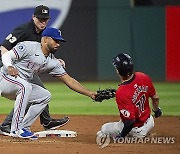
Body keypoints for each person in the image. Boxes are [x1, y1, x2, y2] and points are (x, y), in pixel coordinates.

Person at [0, 27, 97, 139]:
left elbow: (69, 80)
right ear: (45, 39)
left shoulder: (52, 62)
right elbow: (6, 55)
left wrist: (90, 93)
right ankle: (15, 130)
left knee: (44, 95)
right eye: (55, 40)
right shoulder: (29, 46)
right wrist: (9, 66)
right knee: (25, 86)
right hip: (4, 78)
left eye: (59, 41)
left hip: (19, 87)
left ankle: (24, 127)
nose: (58, 44)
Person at [0, 5, 69, 135]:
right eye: (40, 19)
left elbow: (43, 52)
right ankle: (11, 125)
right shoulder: (24, 29)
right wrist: (9, 66)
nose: (43, 22)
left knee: (41, 93)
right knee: (28, 90)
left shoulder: (43, 34)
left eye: (45, 19)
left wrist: (55, 61)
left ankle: (44, 120)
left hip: (23, 69)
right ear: (33, 17)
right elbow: (4, 47)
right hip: (7, 67)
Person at [97, 53, 162, 143]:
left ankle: (134, 136)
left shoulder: (121, 92)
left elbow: (130, 122)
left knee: (103, 129)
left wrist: (121, 136)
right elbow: (155, 98)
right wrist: (157, 110)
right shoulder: (142, 76)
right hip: (150, 122)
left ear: (118, 71)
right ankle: (145, 132)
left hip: (136, 130)